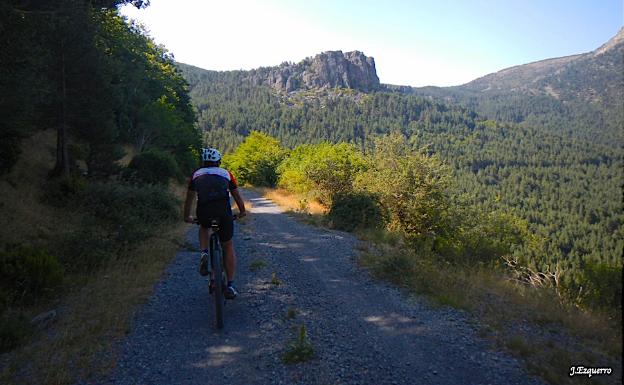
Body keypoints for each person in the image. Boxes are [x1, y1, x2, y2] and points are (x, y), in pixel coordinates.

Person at [183, 147, 246, 299]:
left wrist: (187, 216)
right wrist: (242, 211)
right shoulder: (226, 174)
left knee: (204, 227)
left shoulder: (196, 175)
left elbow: (189, 198)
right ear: (218, 162)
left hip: (204, 212)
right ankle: (230, 285)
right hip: (223, 213)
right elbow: (236, 195)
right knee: (228, 245)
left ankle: (204, 252)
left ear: (203, 162)